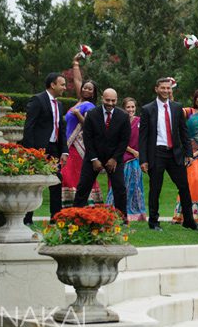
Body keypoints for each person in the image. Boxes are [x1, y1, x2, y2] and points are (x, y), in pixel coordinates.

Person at [139, 78, 198, 231]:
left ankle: (189, 221)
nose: (166, 91)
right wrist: (143, 160)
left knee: (184, 187)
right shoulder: (147, 109)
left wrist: (189, 153)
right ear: (156, 89)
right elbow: (143, 137)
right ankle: (153, 222)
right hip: (156, 153)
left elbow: (183, 132)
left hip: (175, 153)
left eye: (168, 88)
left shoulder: (177, 107)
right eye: (163, 88)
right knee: (155, 188)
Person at [73, 88, 131, 220]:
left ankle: (122, 219)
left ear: (117, 100)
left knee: (120, 188)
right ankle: (74, 217)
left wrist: (115, 159)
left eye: (113, 100)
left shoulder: (123, 116)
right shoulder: (92, 114)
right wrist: (94, 159)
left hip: (114, 158)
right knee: (83, 187)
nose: (110, 103)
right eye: (107, 100)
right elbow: (88, 138)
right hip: (93, 157)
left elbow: (124, 140)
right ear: (102, 99)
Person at [172, 49, 198, 224]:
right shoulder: (188, 112)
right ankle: (187, 215)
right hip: (192, 154)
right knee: (192, 182)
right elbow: (173, 109)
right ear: (195, 99)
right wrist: (170, 90)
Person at [22, 72, 68, 225]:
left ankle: (56, 219)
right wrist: (31, 152)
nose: (65, 88)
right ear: (52, 85)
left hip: (54, 149)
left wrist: (64, 150)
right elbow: (29, 127)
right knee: (33, 183)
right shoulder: (37, 100)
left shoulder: (60, 104)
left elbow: (61, 128)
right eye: (62, 84)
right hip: (37, 150)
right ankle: (27, 219)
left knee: (56, 181)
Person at [61, 55, 102, 208]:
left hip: (78, 147)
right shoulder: (80, 102)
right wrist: (75, 63)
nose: (85, 89)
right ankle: (68, 207)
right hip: (68, 145)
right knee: (67, 176)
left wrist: (78, 115)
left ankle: (80, 205)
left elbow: (90, 126)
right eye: (85, 87)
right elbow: (78, 81)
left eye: (89, 89)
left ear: (93, 93)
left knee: (70, 176)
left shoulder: (89, 106)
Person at [106, 97, 147, 222]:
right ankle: (112, 210)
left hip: (136, 159)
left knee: (135, 186)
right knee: (120, 186)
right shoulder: (119, 121)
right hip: (122, 157)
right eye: (128, 107)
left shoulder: (140, 121)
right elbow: (119, 140)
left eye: (133, 107)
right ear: (124, 108)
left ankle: (135, 213)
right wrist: (133, 151)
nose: (131, 109)